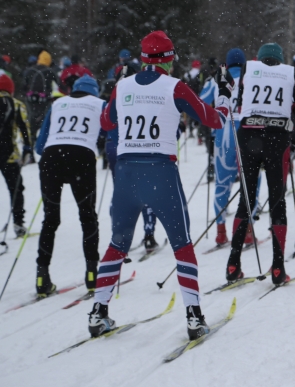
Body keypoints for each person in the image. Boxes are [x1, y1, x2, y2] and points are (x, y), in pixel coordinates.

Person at [89, 30, 232, 339]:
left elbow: (105, 123)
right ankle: (193, 316)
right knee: (182, 244)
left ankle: (98, 311)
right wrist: (224, 97)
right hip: (160, 172)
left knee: (117, 244)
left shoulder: (123, 85)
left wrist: (118, 89)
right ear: (169, 60)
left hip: (126, 173)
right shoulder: (175, 86)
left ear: (143, 59)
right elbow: (214, 119)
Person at [225, 42, 295, 286]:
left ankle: (233, 264)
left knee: (247, 198)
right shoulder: (290, 72)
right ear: (280, 59)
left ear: (260, 58)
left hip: (249, 134)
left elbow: (241, 103)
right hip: (276, 138)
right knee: (277, 199)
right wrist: (292, 105)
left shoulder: (248, 68)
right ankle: (278, 267)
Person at [33, 75, 105, 296]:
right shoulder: (100, 104)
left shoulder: (58, 103)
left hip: (52, 157)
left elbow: (39, 145)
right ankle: (92, 275)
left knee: (51, 218)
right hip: (81, 157)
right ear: (95, 91)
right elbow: (108, 134)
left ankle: (41, 276)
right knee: (87, 216)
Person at [103, 64, 159, 251]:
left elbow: (105, 122)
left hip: (114, 147)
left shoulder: (115, 92)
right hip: (137, 146)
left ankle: (117, 237)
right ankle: (149, 234)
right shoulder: (143, 93)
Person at [199, 49, 245, 247]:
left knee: (221, 184)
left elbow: (201, 102)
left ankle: (221, 231)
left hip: (223, 135)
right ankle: (247, 230)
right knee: (248, 183)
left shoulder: (215, 80)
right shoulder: (249, 78)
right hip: (246, 135)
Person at [0, 74, 31, 238]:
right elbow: (24, 127)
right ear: (10, 89)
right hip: (8, 154)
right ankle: (18, 224)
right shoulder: (15, 104)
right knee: (15, 189)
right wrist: (28, 148)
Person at [24, 51, 60, 138]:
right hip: (44, 98)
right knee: (44, 118)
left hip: (31, 98)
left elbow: (24, 85)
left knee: (32, 116)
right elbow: (59, 85)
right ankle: (43, 137)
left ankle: (31, 136)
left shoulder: (30, 70)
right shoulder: (50, 71)